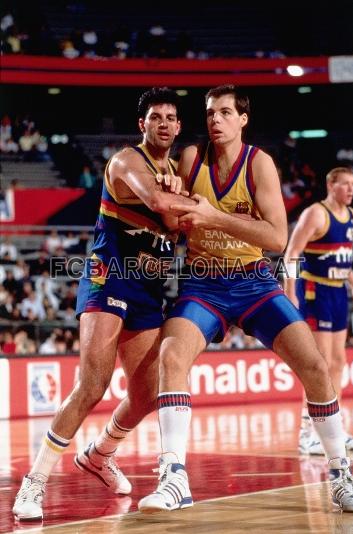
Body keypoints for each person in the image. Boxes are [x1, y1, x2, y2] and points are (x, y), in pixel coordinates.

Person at [138, 85, 353, 514]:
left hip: (254, 280)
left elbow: (277, 237)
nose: (215, 120)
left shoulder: (260, 164)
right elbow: (176, 221)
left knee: (314, 364)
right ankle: (174, 476)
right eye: (209, 113)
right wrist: (167, 192)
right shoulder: (189, 158)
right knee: (171, 355)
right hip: (204, 282)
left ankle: (340, 474)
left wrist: (214, 216)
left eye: (224, 112)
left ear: (243, 119)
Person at [12, 87, 196, 521]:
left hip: (148, 287)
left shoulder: (177, 175)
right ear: (142, 124)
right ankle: (33, 483)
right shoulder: (128, 162)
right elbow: (158, 202)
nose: (164, 123)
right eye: (156, 117)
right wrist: (183, 201)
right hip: (108, 274)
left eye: (171, 117)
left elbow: (180, 223)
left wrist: (183, 202)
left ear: (179, 125)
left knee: (146, 394)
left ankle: (100, 453)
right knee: (93, 384)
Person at [284, 167, 353, 455]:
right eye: (345, 184)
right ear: (330, 185)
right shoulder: (315, 213)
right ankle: (307, 432)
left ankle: (332, 427)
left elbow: (344, 258)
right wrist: (290, 292)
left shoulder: (352, 217)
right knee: (321, 364)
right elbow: (291, 253)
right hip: (315, 292)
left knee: (338, 361)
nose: (351, 189)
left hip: (338, 291)